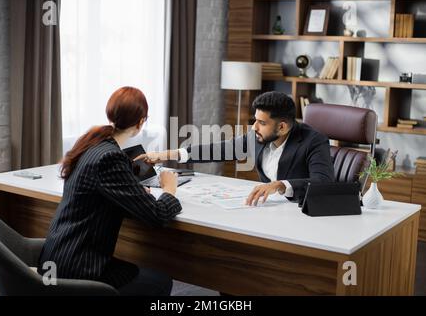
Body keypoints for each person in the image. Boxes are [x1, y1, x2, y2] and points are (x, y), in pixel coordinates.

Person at [37, 86, 182, 296]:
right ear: (141, 122)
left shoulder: (91, 143)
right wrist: (169, 189)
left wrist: (135, 194)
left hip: (58, 259)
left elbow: (102, 192)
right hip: (78, 269)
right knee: (160, 282)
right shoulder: (110, 158)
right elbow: (157, 216)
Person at [135, 91, 335, 205]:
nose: (254, 127)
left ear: (281, 126)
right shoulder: (258, 136)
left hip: (300, 213)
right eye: (255, 120)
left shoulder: (314, 141)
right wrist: (165, 154)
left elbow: (323, 182)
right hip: (268, 210)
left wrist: (279, 185)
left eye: (261, 123)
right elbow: (219, 149)